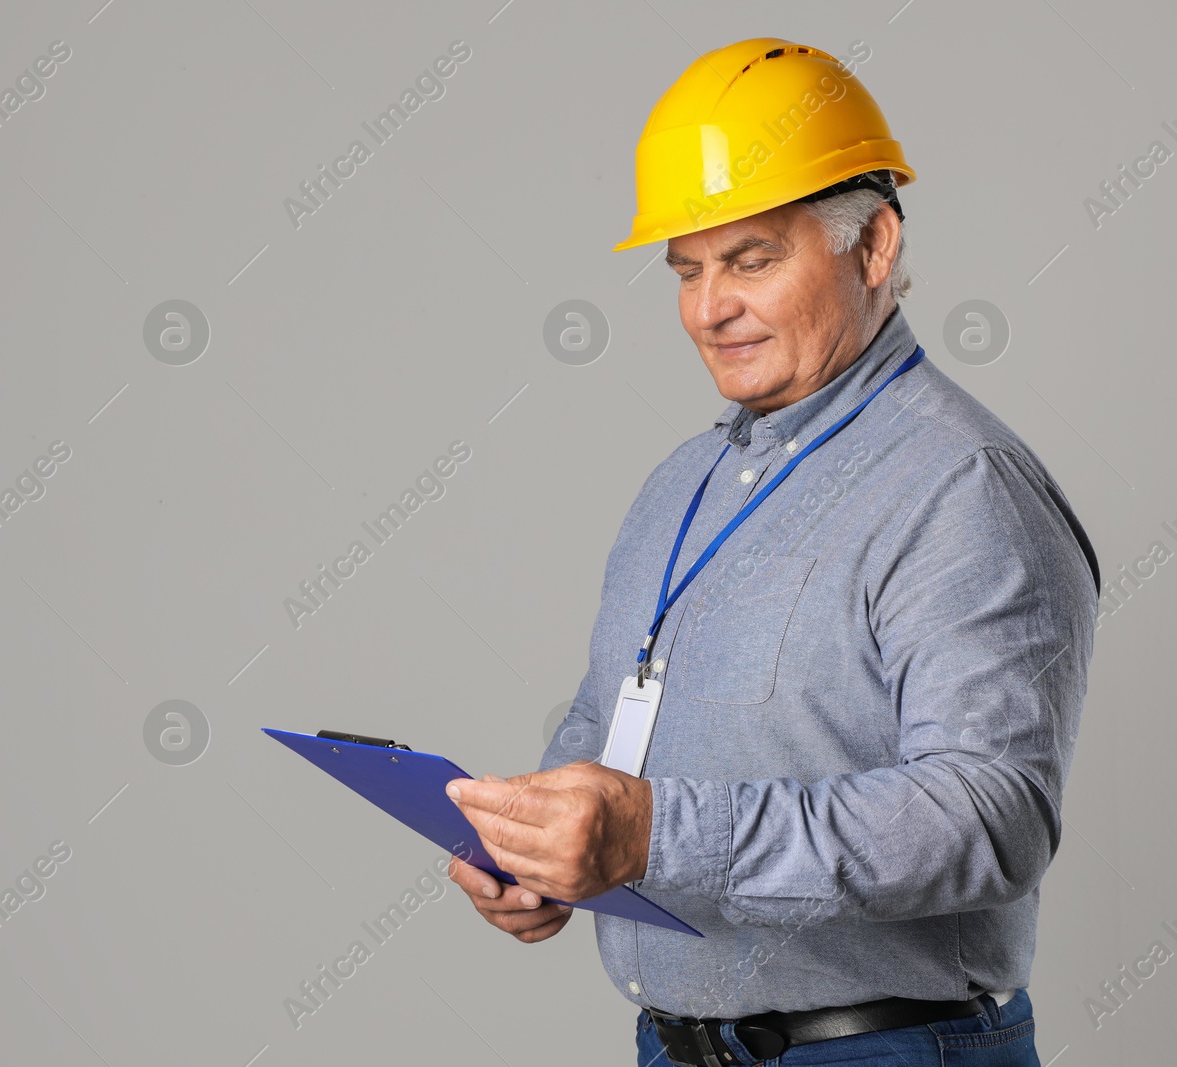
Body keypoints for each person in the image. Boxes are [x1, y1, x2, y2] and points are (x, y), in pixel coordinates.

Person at [444, 37, 1098, 1067]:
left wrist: (651, 835)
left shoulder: (961, 486)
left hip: (882, 1050)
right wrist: (543, 840)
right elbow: (614, 714)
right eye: (689, 269)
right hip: (674, 1046)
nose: (710, 309)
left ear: (873, 246)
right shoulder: (679, 485)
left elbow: (989, 813)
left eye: (752, 259)